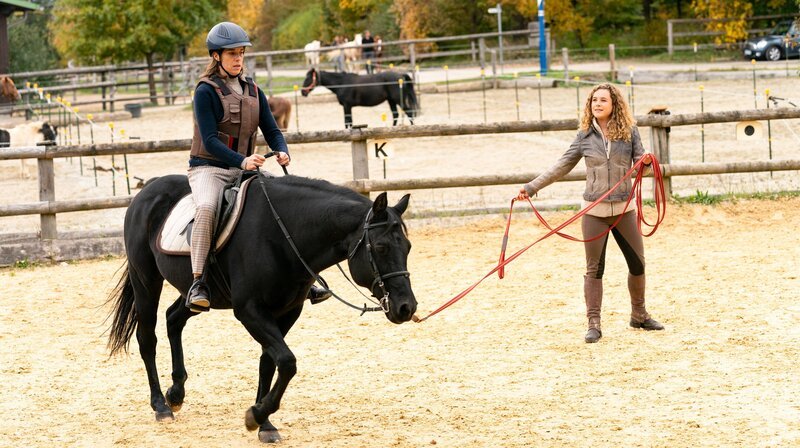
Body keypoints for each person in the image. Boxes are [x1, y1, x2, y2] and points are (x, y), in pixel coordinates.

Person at [187, 21, 331, 312]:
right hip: (209, 169)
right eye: (232, 54)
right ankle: (198, 281)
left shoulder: (253, 89)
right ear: (216, 56)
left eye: (241, 53)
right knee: (205, 209)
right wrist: (241, 160)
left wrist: (281, 149)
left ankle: (305, 278)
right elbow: (211, 140)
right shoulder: (205, 92)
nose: (238, 59)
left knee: (282, 202)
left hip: (244, 168)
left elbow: (273, 129)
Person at [516, 83, 664, 343]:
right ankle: (593, 323)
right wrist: (531, 187)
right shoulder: (584, 135)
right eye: (594, 100)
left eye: (603, 100)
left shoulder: (630, 132)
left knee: (637, 264)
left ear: (614, 104)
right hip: (594, 211)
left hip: (624, 210)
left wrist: (647, 162)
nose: (597, 104)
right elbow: (561, 165)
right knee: (594, 268)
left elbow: (643, 164)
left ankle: (638, 315)